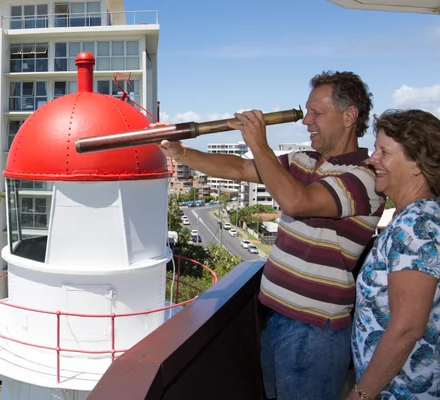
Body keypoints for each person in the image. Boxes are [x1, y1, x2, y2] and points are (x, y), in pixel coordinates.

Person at [157, 71, 385, 399]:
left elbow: (297, 200)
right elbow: (239, 168)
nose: (306, 121)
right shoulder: (303, 161)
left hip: (315, 330)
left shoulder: (363, 178)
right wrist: (180, 153)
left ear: (350, 116)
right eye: (307, 111)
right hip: (277, 317)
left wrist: (258, 143)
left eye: (316, 113)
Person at [348, 109, 440, 400]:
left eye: (384, 152)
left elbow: (406, 328)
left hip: (405, 390)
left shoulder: (416, 227)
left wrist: (360, 394)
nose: (372, 159)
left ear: (417, 164)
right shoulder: (416, 216)